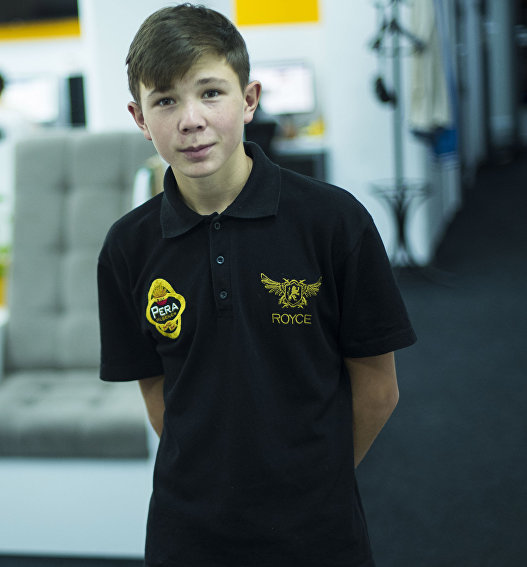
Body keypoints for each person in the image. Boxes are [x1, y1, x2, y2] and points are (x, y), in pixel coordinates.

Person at [97, 4, 417, 566]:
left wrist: (317, 480)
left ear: (249, 100)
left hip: (317, 531)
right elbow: (156, 389)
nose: (190, 119)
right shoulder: (127, 247)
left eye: (211, 93)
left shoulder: (334, 221)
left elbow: (377, 386)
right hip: (187, 532)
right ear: (140, 118)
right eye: (165, 100)